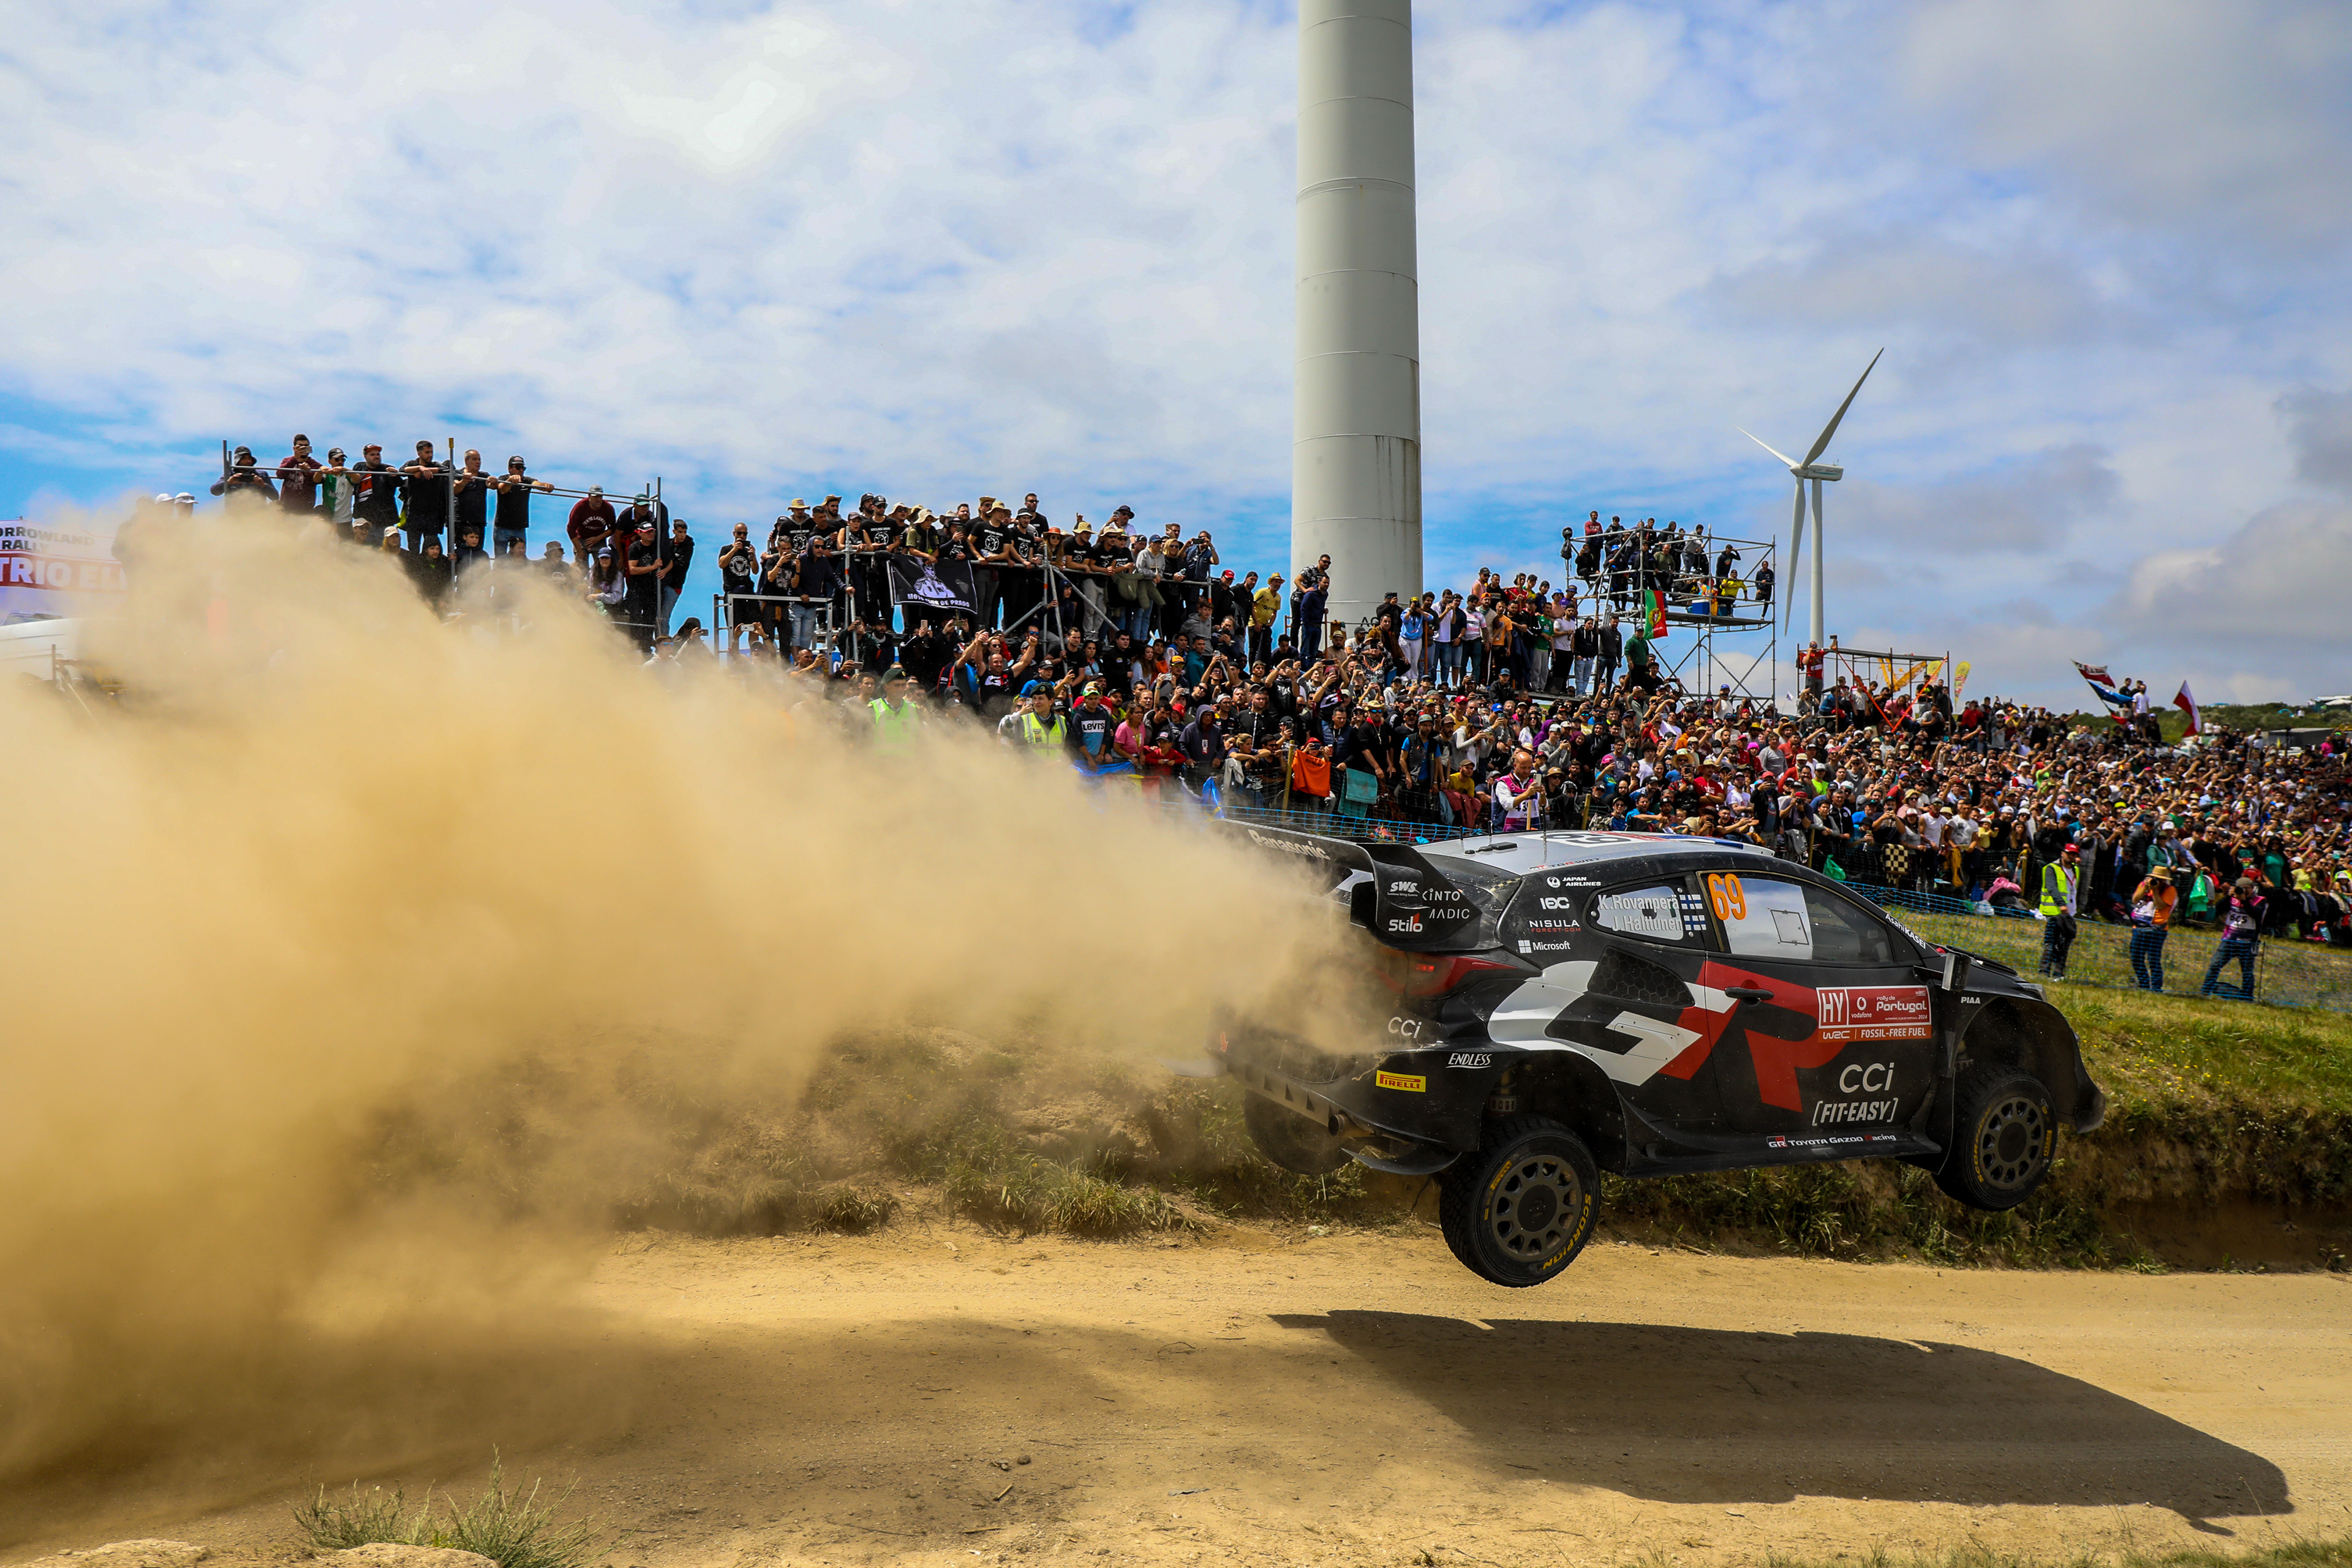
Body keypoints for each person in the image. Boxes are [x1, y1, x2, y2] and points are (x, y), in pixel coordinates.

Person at [2201, 877, 2266, 1000]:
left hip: (2248, 943)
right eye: (2242, 888)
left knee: (2247, 972)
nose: (2244, 891)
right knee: (2215, 965)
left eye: (2247, 889)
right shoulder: (2232, 899)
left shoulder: (2260, 901)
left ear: (2253, 889)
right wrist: (2228, 896)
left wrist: (2245, 901)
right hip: (2229, 940)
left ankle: (2247, 997)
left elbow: (2256, 915)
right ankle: (2205, 991)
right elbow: (2218, 907)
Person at [2127, 864, 2177, 992]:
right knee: (2136, 957)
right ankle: (2144, 984)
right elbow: (2134, 900)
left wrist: (2155, 891)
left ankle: (2156, 988)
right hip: (2139, 927)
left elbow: (2161, 906)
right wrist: (2145, 889)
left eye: (2160, 880)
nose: (2157, 882)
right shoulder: (2143, 885)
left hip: (2157, 929)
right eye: (2155, 878)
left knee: (2154, 959)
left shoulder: (2170, 890)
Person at [2038, 841, 2081, 978]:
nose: (2071, 856)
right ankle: (2044, 972)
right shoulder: (2051, 868)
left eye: (2074, 854)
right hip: (2055, 911)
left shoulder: (2076, 870)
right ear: (2063, 853)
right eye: (2069, 853)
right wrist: (2061, 904)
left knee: (2064, 944)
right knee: (2051, 941)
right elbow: (2052, 888)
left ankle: (2059, 973)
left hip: (2069, 913)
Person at [493, 456, 552, 554]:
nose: (521, 470)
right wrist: (510, 481)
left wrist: (546, 486)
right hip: (502, 527)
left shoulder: (527, 480)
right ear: (510, 468)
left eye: (523, 468)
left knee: (520, 559)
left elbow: (537, 484)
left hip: (520, 528)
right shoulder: (503, 478)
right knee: (500, 559)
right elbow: (502, 489)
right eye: (518, 467)